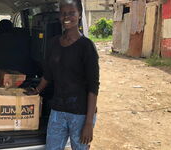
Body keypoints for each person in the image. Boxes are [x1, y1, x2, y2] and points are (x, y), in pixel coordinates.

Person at [25, 0, 100, 149]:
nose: (67, 16)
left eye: (71, 13)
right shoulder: (53, 43)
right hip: (58, 111)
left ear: (79, 15)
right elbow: (48, 74)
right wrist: (37, 91)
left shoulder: (86, 46)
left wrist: (88, 123)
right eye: (63, 13)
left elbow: (93, 87)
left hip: (80, 114)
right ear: (59, 16)